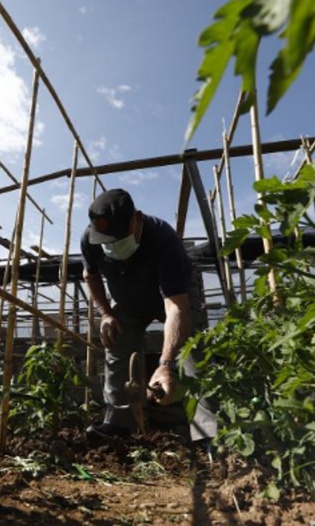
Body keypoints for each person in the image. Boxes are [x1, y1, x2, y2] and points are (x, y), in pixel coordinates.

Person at [80, 188, 217, 441]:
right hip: (129, 299)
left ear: (138, 219)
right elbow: (90, 275)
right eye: (106, 241)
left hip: (173, 296)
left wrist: (165, 365)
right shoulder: (90, 239)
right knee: (117, 341)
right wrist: (106, 313)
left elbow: (176, 307)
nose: (111, 246)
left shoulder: (163, 238)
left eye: (118, 238)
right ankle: (120, 425)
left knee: (193, 349)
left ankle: (210, 433)